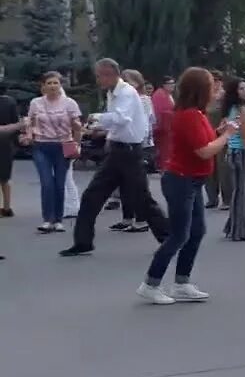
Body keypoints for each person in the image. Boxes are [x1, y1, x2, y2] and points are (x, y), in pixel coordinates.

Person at [137, 68, 238, 304]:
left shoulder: (196, 114)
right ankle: (150, 283)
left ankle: (181, 282)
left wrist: (218, 132)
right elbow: (204, 151)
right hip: (180, 179)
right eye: (213, 86)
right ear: (201, 90)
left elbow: (202, 140)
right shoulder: (189, 115)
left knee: (196, 231)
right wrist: (227, 136)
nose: (218, 90)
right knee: (179, 234)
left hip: (190, 180)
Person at [60, 59, 170, 257]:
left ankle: (169, 238)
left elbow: (121, 118)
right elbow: (118, 125)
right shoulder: (113, 93)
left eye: (100, 75)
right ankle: (83, 242)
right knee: (92, 195)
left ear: (110, 74)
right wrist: (100, 130)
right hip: (117, 151)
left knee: (142, 199)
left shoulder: (126, 92)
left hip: (129, 152)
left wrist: (97, 118)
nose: (98, 79)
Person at [20, 72, 83, 233]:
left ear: (60, 85)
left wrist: (76, 144)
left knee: (59, 184)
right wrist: (28, 136)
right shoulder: (36, 103)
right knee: (47, 183)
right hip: (42, 146)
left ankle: (58, 220)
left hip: (63, 146)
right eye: (49, 83)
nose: (53, 86)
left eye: (56, 83)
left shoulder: (69, 103)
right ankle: (47, 220)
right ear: (43, 87)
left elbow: (77, 127)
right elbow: (31, 123)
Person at [110, 70, 156, 232]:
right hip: (123, 143)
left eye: (130, 81)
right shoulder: (122, 97)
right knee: (124, 182)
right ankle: (127, 217)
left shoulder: (143, 100)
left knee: (136, 183)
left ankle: (142, 218)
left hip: (138, 144)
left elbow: (142, 122)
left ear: (138, 82)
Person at [221, 76, 245, 241]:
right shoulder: (241, 111)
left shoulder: (231, 110)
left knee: (238, 191)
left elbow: (221, 129)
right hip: (240, 153)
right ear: (234, 92)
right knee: (241, 192)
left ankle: (232, 226)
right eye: (241, 88)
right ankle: (239, 231)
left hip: (233, 152)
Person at [204, 72, 233, 209]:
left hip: (221, 135)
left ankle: (227, 199)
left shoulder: (225, 98)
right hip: (207, 135)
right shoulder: (205, 97)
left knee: (223, 168)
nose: (215, 83)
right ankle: (212, 198)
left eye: (217, 80)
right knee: (209, 168)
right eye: (212, 80)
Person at [0, 84, 20, 217]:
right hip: (5, 142)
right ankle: (7, 207)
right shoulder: (10, 102)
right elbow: (16, 123)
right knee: (5, 178)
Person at [151, 75, 175, 171]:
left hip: (169, 126)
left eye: (173, 83)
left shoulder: (169, 95)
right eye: (170, 84)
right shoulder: (159, 95)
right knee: (164, 149)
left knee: (167, 149)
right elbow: (157, 111)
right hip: (162, 126)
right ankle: (164, 167)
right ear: (164, 85)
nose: (172, 86)